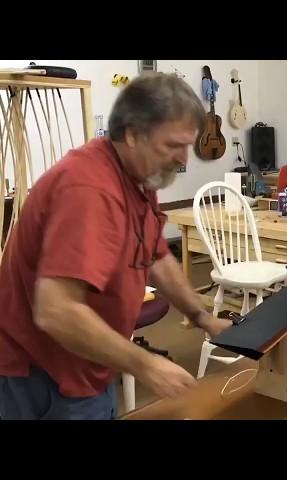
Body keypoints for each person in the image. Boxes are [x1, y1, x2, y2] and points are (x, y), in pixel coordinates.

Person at [0, 73, 233, 420]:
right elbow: (56, 310)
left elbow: (155, 255)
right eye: (173, 145)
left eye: (187, 145)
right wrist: (145, 364)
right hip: (44, 371)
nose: (184, 159)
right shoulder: (88, 191)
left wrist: (200, 315)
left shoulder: (140, 178)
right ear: (133, 134)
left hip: (89, 360)